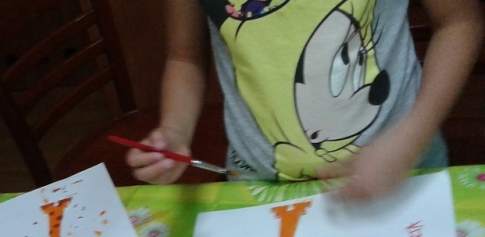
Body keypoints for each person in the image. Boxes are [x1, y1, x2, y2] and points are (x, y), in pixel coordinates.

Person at [126, 0, 484, 201]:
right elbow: (184, 57)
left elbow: (459, 22)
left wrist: (411, 137)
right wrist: (175, 130)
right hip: (261, 186)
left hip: (404, 172)